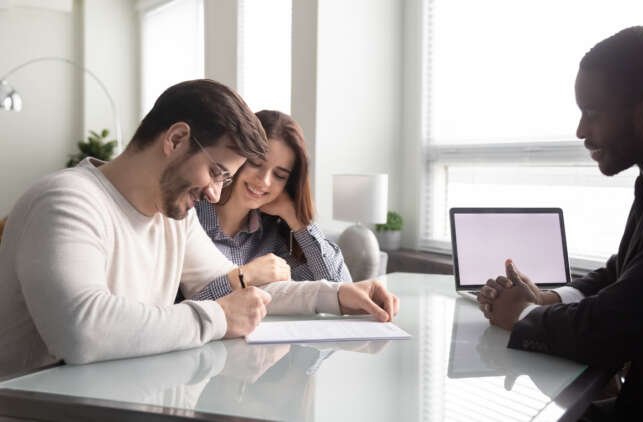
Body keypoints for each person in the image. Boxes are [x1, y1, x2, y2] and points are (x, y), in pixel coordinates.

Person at [0, 79, 398, 378]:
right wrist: (219, 317)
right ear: (175, 139)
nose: (214, 193)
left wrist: (338, 295)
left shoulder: (173, 217)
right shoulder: (66, 201)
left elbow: (243, 290)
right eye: (216, 172)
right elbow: (82, 331)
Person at [477, 26, 643, 420]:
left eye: (592, 113)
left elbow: (614, 327)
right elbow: (624, 272)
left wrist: (521, 316)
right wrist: (547, 299)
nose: (581, 131)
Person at [191, 110, 351, 301]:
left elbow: (339, 288)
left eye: (280, 175)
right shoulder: (189, 216)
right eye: (256, 163)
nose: (264, 181)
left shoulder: (271, 236)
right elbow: (180, 307)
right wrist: (245, 276)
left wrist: (295, 218)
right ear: (237, 157)